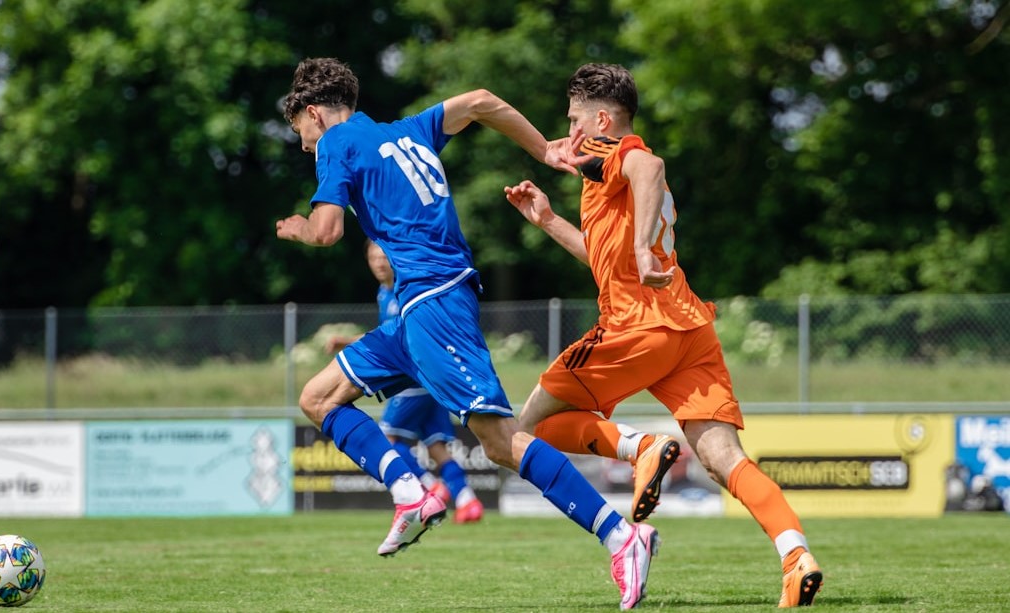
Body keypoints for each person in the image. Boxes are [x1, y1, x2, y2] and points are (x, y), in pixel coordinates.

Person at [276, 57, 656, 610]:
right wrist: (543, 150)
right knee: (318, 397)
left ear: (315, 113)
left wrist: (299, 230)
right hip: (412, 312)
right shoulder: (407, 131)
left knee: (499, 443)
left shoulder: (338, 144)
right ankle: (411, 492)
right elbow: (480, 99)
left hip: (434, 303)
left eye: (303, 138)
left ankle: (623, 535)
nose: (309, 149)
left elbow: (329, 230)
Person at [503, 62, 824, 608]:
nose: (570, 132)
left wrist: (641, 247)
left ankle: (640, 447)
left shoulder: (618, 152)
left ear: (602, 119)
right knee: (725, 459)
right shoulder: (601, 174)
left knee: (524, 427)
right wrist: (549, 221)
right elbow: (604, 260)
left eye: (575, 119)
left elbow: (650, 167)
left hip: (637, 325)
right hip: (688, 328)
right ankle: (796, 555)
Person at [325, 239, 485, 524]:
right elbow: (385, 336)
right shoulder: (382, 293)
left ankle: (427, 487)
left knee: (387, 438)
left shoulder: (404, 289)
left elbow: (399, 339)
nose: (378, 262)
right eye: (373, 257)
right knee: (436, 446)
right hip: (431, 380)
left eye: (383, 256)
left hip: (412, 378)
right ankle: (467, 500)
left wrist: (345, 342)